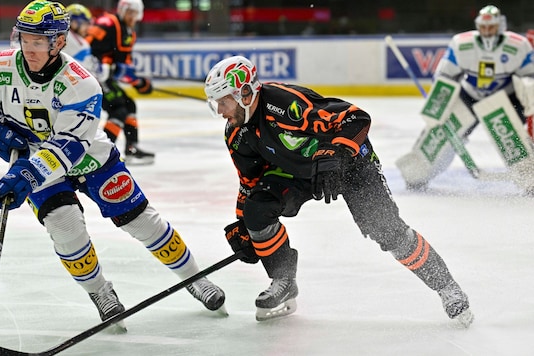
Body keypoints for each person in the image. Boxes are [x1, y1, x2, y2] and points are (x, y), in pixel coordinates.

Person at [0, 0, 225, 328]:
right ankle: (100, 293)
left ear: (58, 42)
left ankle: (196, 278)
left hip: (89, 159)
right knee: (66, 230)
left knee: (142, 222)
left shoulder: (81, 83)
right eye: (25, 39)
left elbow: (70, 146)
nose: (29, 48)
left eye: (38, 41)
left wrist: (27, 173)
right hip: (37, 162)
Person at [204, 55, 474, 326]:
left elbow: (356, 118)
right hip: (300, 173)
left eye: (223, 102)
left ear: (246, 94)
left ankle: (447, 287)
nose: (220, 111)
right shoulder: (236, 135)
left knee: (387, 230)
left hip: (352, 164)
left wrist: (335, 153)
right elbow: (249, 182)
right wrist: (244, 225)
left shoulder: (285, 104)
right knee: (257, 210)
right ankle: (283, 280)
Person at [0, 3, 102, 171]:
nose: (86, 28)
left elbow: (17, 47)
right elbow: (87, 71)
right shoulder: (76, 43)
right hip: (48, 87)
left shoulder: (34, 35)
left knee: (9, 120)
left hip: (35, 81)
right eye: (84, 23)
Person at [396, 5, 534, 190]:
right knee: (441, 133)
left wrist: (528, 95)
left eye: (491, 27)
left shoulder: (518, 45)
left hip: (505, 98)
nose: (487, 31)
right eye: (483, 27)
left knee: (511, 138)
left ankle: (530, 180)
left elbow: (530, 76)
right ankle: (417, 174)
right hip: (469, 94)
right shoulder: (461, 43)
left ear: (500, 25)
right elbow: (445, 75)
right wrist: (438, 104)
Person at [85, 0, 155, 165]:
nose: (133, 17)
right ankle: (102, 153)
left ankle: (131, 148)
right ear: (122, 11)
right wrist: (102, 66)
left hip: (104, 78)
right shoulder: (106, 23)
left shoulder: (129, 33)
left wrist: (138, 82)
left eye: (135, 13)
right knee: (118, 109)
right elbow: (86, 48)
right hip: (92, 76)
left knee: (129, 105)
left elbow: (123, 68)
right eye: (130, 12)